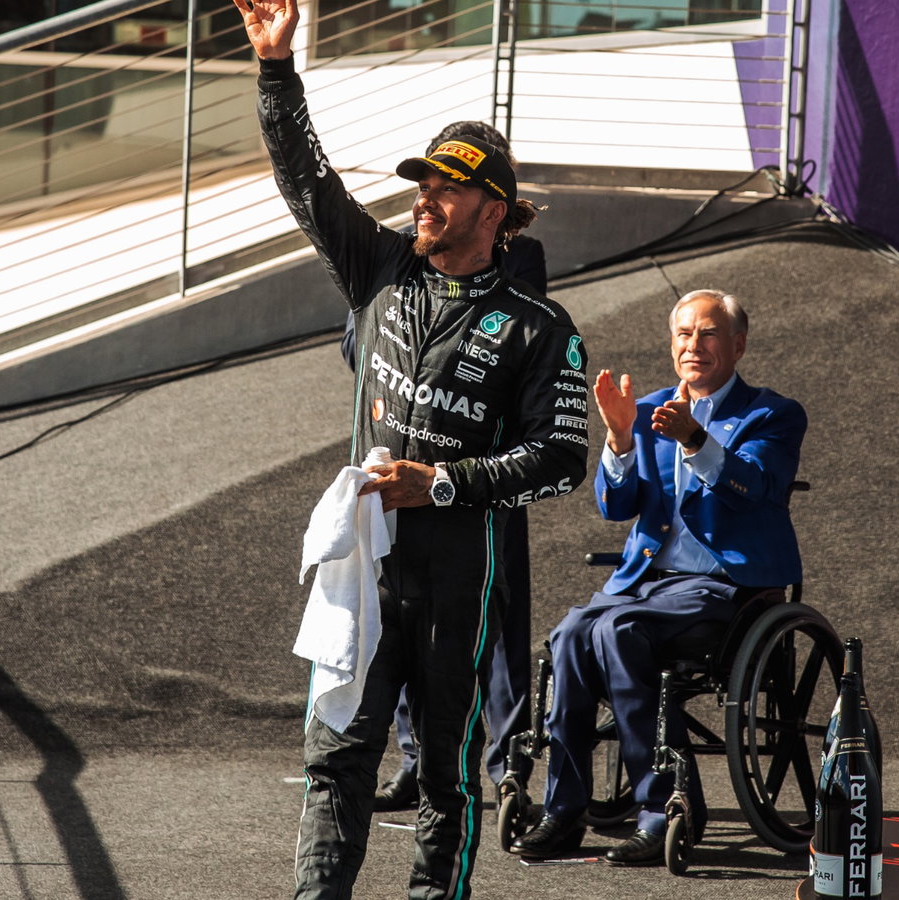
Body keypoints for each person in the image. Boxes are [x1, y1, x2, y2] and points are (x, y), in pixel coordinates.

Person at [232, 0, 589, 897]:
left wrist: (443, 484)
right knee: (335, 763)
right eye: (420, 183)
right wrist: (277, 72)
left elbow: (562, 458)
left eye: (445, 186)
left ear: (493, 208)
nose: (423, 198)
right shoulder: (381, 271)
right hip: (364, 568)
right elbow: (306, 183)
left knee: (447, 778)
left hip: (457, 577)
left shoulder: (540, 327)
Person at [508, 289, 807, 866]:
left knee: (617, 630)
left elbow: (758, 488)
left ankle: (664, 806)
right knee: (571, 633)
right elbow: (616, 507)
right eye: (684, 334)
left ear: (738, 344)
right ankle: (564, 810)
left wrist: (696, 439)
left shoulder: (772, 414)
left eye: (709, 334)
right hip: (646, 584)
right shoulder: (643, 410)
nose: (694, 345)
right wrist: (620, 440)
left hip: (727, 589)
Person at [352, 121, 547, 814]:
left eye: (451, 178)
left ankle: (506, 764)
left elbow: (508, 360)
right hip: (402, 480)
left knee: (493, 628)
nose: (430, 194)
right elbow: (361, 341)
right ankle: (413, 758)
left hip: (483, 489)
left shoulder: (519, 259)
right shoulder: (406, 258)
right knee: (403, 623)